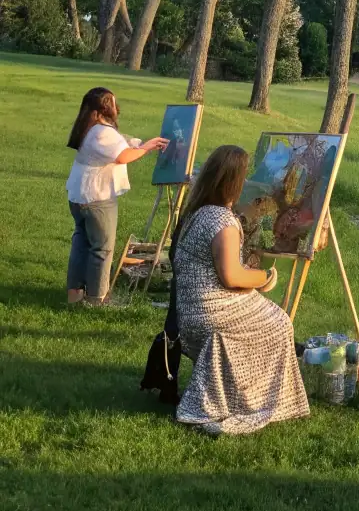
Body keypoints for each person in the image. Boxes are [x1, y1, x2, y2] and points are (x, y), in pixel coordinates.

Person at [173, 144, 310, 437]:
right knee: (280, 324)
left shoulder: (196, 213)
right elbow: (231, 276)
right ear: (234, 182)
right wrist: (263, 277)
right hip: (212, 311)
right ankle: (261, 400)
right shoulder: (222, 221)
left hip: (191, 310)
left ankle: (241, 392)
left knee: (272, 317)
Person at [65, 86, 168, 306]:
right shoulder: (103, 132)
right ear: (106, 106)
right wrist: (148, 147)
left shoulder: (88, 128)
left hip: (79, 196)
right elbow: (123, 156)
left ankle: (74, 295)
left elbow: (120, 142)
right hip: (97, 198)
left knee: (81, 243)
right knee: (102, 248)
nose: (117, 105)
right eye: (113, 101)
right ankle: (97, 299)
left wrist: (136, 143)